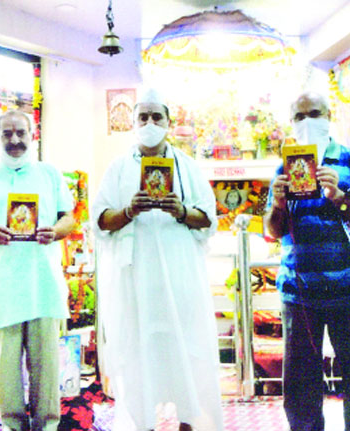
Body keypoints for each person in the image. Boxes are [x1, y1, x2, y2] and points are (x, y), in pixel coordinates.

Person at [91, 87, 223, 431]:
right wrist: (127, 212)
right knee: (137, 358)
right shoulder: (118, 168)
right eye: (142, 117)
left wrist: (182, 211)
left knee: (186, 354)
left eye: (156, 117)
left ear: (168, 121)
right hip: (134, 284)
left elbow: (208, 219)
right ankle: (142, 424)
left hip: (180, 280)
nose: (149, 123)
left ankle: (189, 422)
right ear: (133, 122)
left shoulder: (188, 167)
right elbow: (100, 219)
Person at [264, 91, 350, 431]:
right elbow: (273, 230)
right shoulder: (283, 167)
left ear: (329, 116)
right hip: (299, 291)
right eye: (299, 117)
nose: (307, 122)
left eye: (314, 113)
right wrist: (279, 204)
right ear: (291, 122)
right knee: (300, 384)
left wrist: (340, 197)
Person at [0, 109, 75, 431]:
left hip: (43, 282)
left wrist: (55, 231)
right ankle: (12, 425)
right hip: (3, 284)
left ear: (32, 135)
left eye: (21, 133)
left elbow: (69, 217)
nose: (15, 140)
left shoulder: (49, 174)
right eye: (7, 134)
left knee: (45, 364)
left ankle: (47, 425)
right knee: (7, 364)